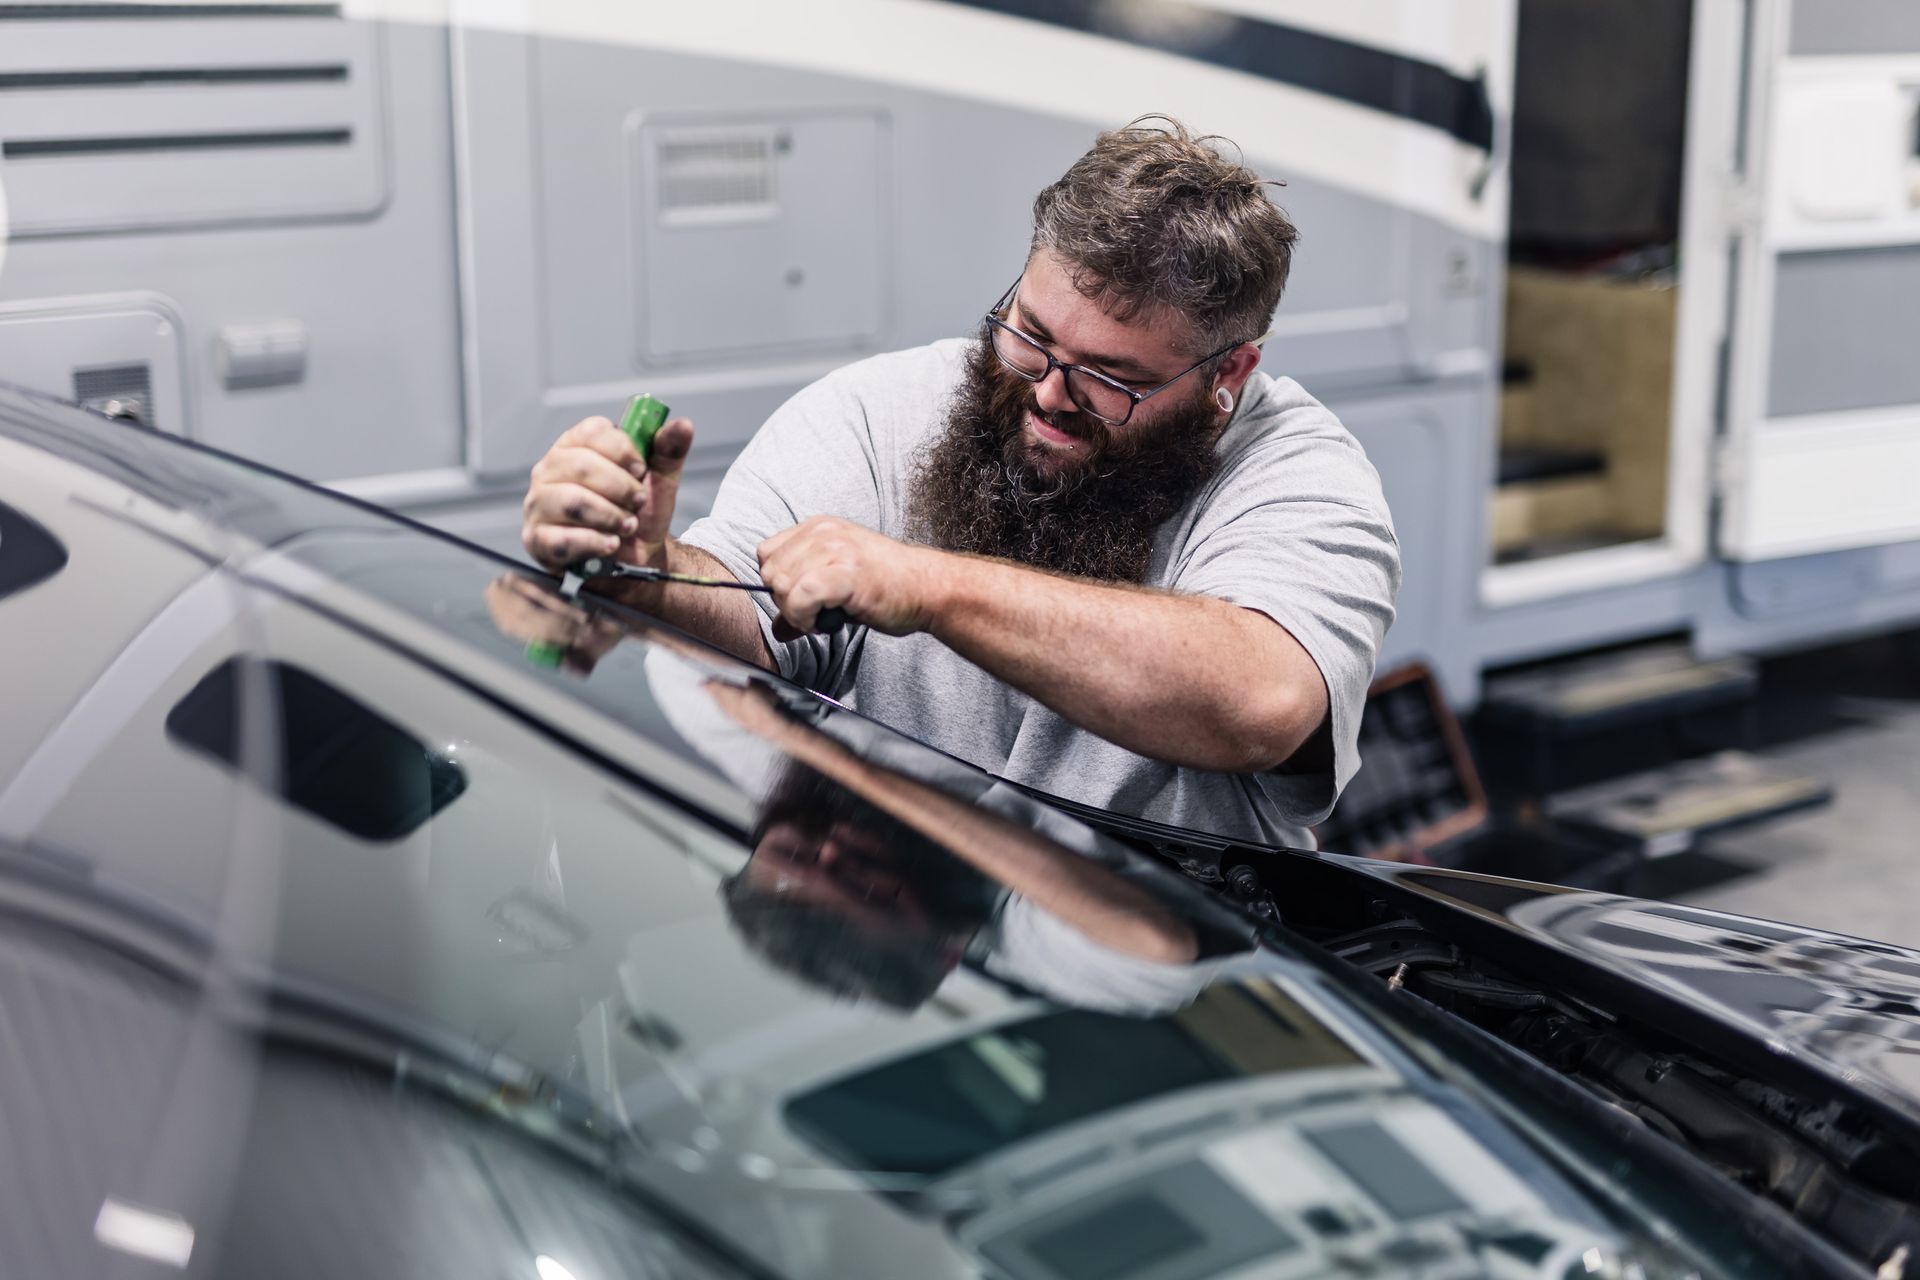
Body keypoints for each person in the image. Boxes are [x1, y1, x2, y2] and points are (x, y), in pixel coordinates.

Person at [520, 116, 1400, 847]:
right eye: (1029, 333)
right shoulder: (883, 410)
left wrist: (926, 584)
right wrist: (650, 569)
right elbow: (745, 613)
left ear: (1229, 373)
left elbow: (1261, 700)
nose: (1049, 395)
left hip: (1157, 988)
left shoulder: (1298, 473)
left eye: (1112, 378)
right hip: (906, 919)